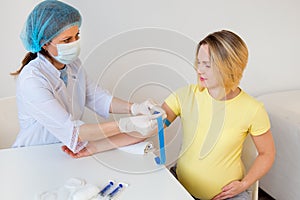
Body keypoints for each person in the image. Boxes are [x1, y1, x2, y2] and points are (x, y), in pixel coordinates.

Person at [11, 0, 164, 155]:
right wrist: (125, 125)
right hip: (33, 154)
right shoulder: (31, 80)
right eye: (66, 40)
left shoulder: (73, 64)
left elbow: (97, 97)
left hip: (65, 152)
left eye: (76, 35)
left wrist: (134, 107)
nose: (75, 43)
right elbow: (73, 131)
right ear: (44, 43)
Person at [162, 30, 275, 200]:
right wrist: (139, 114)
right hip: (181, 188)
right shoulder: (186, 95)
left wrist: (244, 184)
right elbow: (153, 125)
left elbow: (267, 154)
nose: (199, 70)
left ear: (229, 67)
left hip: (229, 196)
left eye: (207, 65)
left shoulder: (253, 109)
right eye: (198, 62)